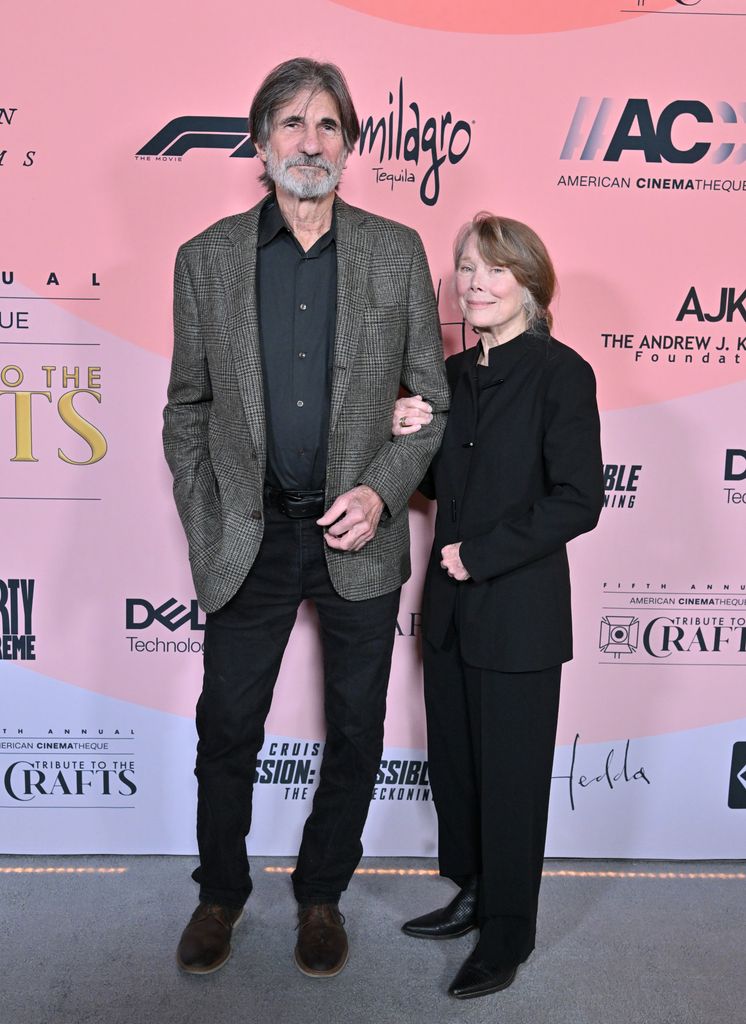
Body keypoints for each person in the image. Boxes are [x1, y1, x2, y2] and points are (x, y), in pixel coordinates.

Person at [162, 57, 449, 979]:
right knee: (227, 727)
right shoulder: (206, 258)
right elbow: (187, 407)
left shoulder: (396, 251)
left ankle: (322, 894)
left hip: (359, 534)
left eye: (329, 125)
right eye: (292, 123)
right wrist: (207, 513)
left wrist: (383, 490)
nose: (311, 142)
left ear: (350, 145)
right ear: (261, 141)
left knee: (357, 728)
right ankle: (220, 894)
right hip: (250, 534)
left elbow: (431, 402)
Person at [393, 212, 603, 999]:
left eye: (495, 270)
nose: (475, 284)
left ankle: (509, 932)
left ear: (530, 286)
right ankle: (474, 894)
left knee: (511, 781)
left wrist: (480, 554)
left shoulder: (562, 374)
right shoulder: (450, 376)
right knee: (459, 768)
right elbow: (444, 484)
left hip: (519, 615)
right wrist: (411, 433)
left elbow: (578, 499)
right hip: (448, 612)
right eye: (467, 268)